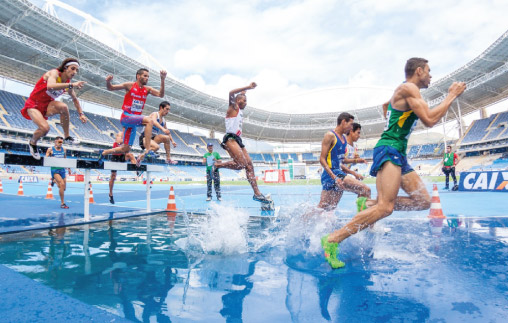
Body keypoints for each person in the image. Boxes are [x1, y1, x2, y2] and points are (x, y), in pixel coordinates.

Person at [321, 57, 466, 268]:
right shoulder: (409, 88)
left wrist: (392, 116)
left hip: (398, 151)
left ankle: (368, 204)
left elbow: (386, 106)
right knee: (386, 208)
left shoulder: (406, 92)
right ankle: (332, 240)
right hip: (390, 149)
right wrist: (451, 95)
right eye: (428, 71)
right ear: (418, 71)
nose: (431, 75)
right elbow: (429, 119)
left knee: (423, 201)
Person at [97, 68, 167, 166]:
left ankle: (103, 152)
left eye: (148, 76)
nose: (147, 78)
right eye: (145, 76)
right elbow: (111, 88)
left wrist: (162, 79)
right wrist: (108, 82)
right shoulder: (129, 85)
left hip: (134, 121)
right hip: (127, 117)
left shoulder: (147, 90)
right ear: (138, 76)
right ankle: (148, 151)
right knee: (149, 121)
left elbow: (161, 94)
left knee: (126, 148)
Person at [215, 82, 271, 203]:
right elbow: (231, 93)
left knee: (249, 165)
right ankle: (217, 165)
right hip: (230, 138)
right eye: (244, 101)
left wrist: (244, 93)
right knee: (240, 164)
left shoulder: (239, 109)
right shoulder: (233, 107)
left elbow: (239, 95)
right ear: (238, 101)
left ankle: (257, 193)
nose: (246, 103)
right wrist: (247, 87)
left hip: (238, 140)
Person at [22, 58, 87, 160]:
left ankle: (67, 137)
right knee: (45, 129)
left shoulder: (68, 84)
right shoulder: (54, 73)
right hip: (33, 104)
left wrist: (81, 114)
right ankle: (33, 143)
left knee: (64, 107)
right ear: (65, 68)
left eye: (76, 70)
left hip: (47, 105)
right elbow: (50, 86)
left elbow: (75, 99)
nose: (75, 72)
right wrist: (71, 85)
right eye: (73, 68)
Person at [314, 113, 371, 212]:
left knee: (327, 207)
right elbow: (322, 159)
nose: (351, 127)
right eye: (350, 124)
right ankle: (365, 223)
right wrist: (334, 177)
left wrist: (356, 164)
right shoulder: (330, 135)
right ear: (344, 122)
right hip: (331, 174)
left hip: (337, 173)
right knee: (365, 190)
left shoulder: (343, 139)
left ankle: (303, 220)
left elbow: (342, 161)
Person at [343, 122, 373, 211]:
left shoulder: (354, 147)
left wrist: (356, 161)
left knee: (328, 206)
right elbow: (339, 163)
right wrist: (354, 173)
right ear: (351, 131)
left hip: (343, 175)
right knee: (365, 190)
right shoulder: (343, 145)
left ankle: (361, 219)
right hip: (337, 175)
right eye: (358, 133)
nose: (359, 136)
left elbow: (349, 162)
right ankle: (362, 219)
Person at [109, 132, 136, 204]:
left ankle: (136, 168)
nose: (122, 138)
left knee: (131, 155)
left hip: (121, 157)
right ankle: (110, 193)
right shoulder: (117, 140)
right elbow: (119, 142)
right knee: (113, 177)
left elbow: (127, 151)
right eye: (120, 136)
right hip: (114, 157)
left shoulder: (126, 141)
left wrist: (127, 148)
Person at [46, 136, 69, 209]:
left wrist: (68, 168)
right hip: (55, 169)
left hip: (62, 169)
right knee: (61, 184)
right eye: (59, 142)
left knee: (63, 188)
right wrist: (50, 157)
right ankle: (62, 203)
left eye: (61, 142)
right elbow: (45, 159)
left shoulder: (64, 149)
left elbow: (65, 159)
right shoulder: (50, 149)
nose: (60, 144)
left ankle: (54, 181)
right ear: (55, 142)